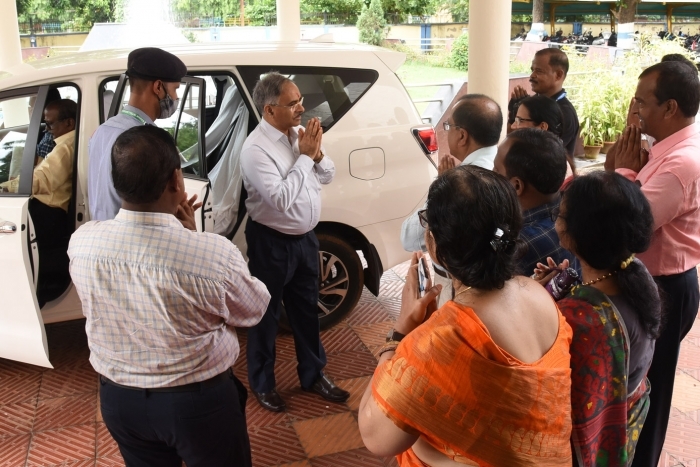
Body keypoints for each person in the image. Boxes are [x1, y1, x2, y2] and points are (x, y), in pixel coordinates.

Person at [68, 125, 270, 467]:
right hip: (197, 404)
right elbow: (253, 310)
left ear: (118, 184)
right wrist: (193, 235)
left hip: (119, 402)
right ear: (177, 180)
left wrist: (187, 237)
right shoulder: (212, 254)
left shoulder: (83, 242)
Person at [359, 165, 574, 466]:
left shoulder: (440, 341)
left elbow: (375, 437)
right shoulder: (539, 295)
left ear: (434, 247)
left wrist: (400, 334)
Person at [604, 60, 700, 467]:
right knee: (632, 382)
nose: (635, 110)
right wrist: (624, 162)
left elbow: (628, 224)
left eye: (642, 102)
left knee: (651, 387)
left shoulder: (682, 162)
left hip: (666, 288)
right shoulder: (659, 148)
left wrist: (625, 171)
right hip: (648, 281)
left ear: (670, 108)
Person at [535, 172, 662, 466]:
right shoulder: (636, 271)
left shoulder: (580, 319)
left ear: (576, 235)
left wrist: (543, 298)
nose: (557, 219)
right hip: (627, 420)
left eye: (560, 214)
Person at [240, 71, 348, 413]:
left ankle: (313, 374)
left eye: (301, 100)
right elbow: (281, 199)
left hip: (305, 240)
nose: (302, 108)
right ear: (270, 110)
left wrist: (315, 155)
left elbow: (328, 174)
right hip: (271, 243)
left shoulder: (298, 134)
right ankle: (263, 383)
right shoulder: (255, 150)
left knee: (306, 311)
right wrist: (304, 156)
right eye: (293, 103)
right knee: (266, 316)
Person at [401, 94, 503, 306]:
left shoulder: (465, 183)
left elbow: (410, 237)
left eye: (449, 126)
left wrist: (443, 188)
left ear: (462, 136)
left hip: (461, 288)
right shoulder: (505, 162)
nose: (447, 131)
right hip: (497, 285)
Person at [88, 47, 188, 221]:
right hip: (133, 242)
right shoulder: (146, 142)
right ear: (158, 87)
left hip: (103, 236)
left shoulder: (102, 131)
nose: (175, 97)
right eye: (174, 89)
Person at [493, 128, 576, 276]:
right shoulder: (574, 212)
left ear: (516, 186)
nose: (491, 174)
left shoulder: (518, 244)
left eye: (497, 170)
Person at [510, 48, 580, 158]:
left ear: (558, 75)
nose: (532, 75)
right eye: (532, 70)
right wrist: (514, 112)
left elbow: (545, 155)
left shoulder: (565, 113)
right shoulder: (533, 104)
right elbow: (510, 139)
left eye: (539, 71)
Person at [510, 94, 577, 179]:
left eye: (520, 120)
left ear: (542, 127)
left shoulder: (545, 167)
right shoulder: (529, 157)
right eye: (515, 120)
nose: (513, 126)